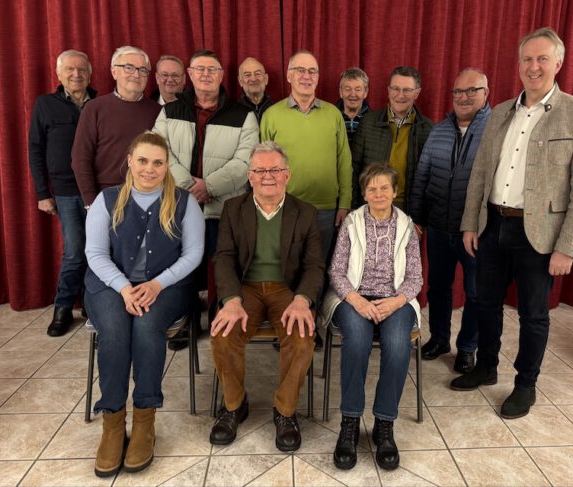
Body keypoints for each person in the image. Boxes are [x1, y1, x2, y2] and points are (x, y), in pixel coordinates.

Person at [451, 27, 573, 419]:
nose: (533, 67)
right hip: (492, 224)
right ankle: (486, 366)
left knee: (533, 314)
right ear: (518, 64)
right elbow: (480, 174)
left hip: (540, 235)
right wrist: (470, 223)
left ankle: (525, 384)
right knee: (484, 302)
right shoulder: (501, 112)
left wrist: (567, 247)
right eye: (527, 59)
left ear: (558, 63)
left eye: (542, 59)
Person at [84, 132, 205, 477]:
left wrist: (156, 284)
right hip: (111, 285)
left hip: (167, 286)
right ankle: (112, 423)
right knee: (114, 330)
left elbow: (193, 254)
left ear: (167, 166)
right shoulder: (106, 200)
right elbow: (95, 254)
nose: (149, 169)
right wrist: (125, 288)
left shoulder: (185, 202)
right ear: (129, 161)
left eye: (157, 162)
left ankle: (144, 420)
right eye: (142, 161)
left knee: (148, 326)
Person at [209, 141, 324, 452]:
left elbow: (314, 265)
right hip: (244, 289)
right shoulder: (233, 209)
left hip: (287, 290)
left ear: (287, 175)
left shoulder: (305, 213)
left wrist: (302, 300)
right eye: (260, 170)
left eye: (275, 169)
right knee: (223, 335)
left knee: (302, 337)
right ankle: (234, 406)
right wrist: (231, 300)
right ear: (250, 176)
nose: (267, 176)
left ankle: (285, 411)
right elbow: (224, 257)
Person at [153, 48, 258, 347]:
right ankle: (185, 317)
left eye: (212, 69)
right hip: (179, 205)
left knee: (220, 265)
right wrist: (190, 186)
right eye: (200, 69)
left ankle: (218, 315)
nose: (206, 74)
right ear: (190, 74)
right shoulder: (169, 111)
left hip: (222, 207)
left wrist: (209, 186)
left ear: (222, 75)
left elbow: (246, 161)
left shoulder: (243, 114)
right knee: (180, 263)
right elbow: (159, 152)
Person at [321, 163, 423, 471]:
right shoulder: (351, 223)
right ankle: (350, 422)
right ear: (364, 194)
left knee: (398, 345)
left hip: (395, 299)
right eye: (371, 188)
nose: (378, 194)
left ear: (395, 191)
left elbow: (415, 278)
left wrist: (394, 303)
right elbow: (336, 271)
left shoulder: (407, 226)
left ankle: (384, 424)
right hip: (353, 296)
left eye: (384, 188)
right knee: (357, 341)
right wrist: (356, 300)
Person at [409, 68, 491, 373]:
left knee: (475, 293)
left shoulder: (496, 129)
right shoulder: (440, 130)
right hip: (438, 227)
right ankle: (440, 339)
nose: (464, 97)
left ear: (486, 93)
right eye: (458, 91)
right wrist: (417, 217)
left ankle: (467, 348)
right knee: (438, 287)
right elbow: (422, 175)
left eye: (472, 90)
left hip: (477, 230)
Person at [28, 49, 97, 336]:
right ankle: (63, 307)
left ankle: (93, 305)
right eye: (70, 69)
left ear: (90, 74)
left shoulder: (100, 102)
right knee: (75, 251)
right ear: (59, 73)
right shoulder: (45, 104)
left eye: (81, 69)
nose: (76, 74)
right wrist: (43, 194)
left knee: (100, 250)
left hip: (98, 190)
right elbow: (35, 149)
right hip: (66, 192)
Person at [261, 50, 352, 263]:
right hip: (284, 207)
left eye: (312, 71)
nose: (306, 76)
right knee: (287, 268)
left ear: (318, 77)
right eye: (300, 70)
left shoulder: (333, 114)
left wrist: (344, 203)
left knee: (318, 267)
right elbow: (262, 167)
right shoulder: (271, 115)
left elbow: (344, 162)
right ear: (289, 75)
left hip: (326, 210)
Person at [72, 46, 161, 207]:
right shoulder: (94, 108)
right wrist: (91, 203)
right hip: (105, 196)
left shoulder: (158, 111)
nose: (136, 74)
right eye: (129, 67)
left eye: (142, 70)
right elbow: (81, 158)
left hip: (149, 196)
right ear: (114, 72)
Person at [351, 66, 433, 213]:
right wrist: (354, 206)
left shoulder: (428, 129)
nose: (400, 95)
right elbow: (354, 167)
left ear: (417, 93)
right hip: (371, 204)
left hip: (408, 209)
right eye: (395, 89)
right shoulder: (368, 122)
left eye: (407, 90)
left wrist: (419, 215)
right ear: (388, 91)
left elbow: (429, 179)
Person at [337, 67, 371, 147]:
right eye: (347, 89)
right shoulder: (331, 118)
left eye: (358, 90)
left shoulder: (373, 121)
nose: (352, 94)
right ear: (341, 92)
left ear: (365, 92)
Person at [238, 56, 274, 122]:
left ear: (266, 79)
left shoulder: (277, 109)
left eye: (257, 74)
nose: (253, 79)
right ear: (240, 81)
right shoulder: (233, 112)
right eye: (247, 75)